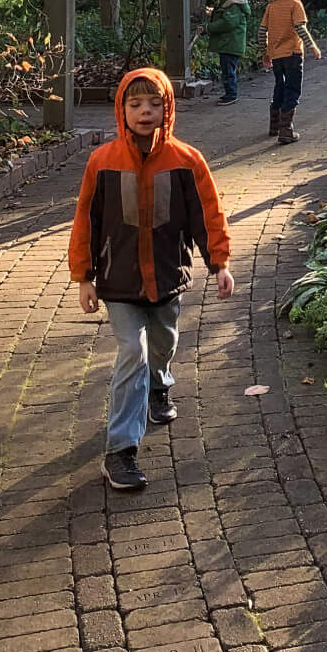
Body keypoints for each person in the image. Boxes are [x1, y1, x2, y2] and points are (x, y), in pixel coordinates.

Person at [68, 66, 234, 492]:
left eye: (154, 103)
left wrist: (220, 263)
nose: (145, 111)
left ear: (168, 108)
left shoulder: (186, 161)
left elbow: (207, 215)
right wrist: (83, 276)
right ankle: (120, 451)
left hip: (166, 278)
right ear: (122, 110)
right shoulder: (101, 163)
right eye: (135, 103)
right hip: (118, 283)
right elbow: (85, 221)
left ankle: (160, 386)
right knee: (133, 352)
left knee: (164, 343)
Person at [259, 0, 322, 146]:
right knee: (293, 89)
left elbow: (262, 31)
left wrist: (264, 52)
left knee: (280, 86)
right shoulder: (295, 5)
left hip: (276, 56)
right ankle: (286, 130)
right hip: (293, 54)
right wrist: (313, 46)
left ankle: (274, 125)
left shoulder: (271, 6)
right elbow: (300, 28)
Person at [204, 0, 251, 104]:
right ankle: (229, 92)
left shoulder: (233, 5)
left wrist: (209, 27)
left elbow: (228, 23)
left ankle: (231, 94)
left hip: (230, 44)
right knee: (227, 69)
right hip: (227, 43)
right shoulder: (227, 4)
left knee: (228, 70)